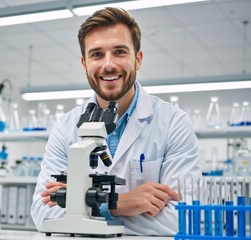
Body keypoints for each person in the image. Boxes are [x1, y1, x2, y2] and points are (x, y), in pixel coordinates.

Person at [30, 7, 201, 235]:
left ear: (137, 59)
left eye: (119, 51)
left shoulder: (173, 123)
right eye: (97, 54)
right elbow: (43, 215)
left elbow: (185, 218)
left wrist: (78, 205)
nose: (108, 64)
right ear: (84, 64)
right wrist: (118, 203)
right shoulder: (66, 126)